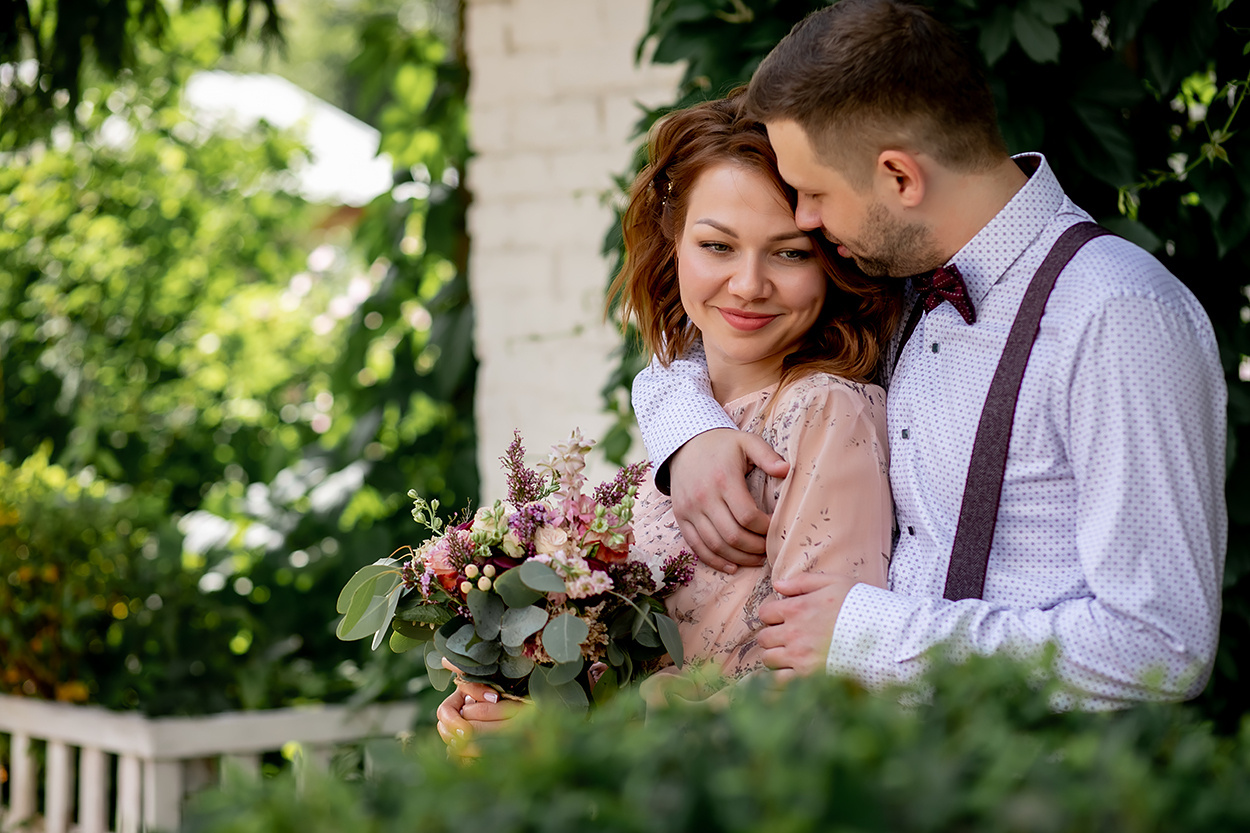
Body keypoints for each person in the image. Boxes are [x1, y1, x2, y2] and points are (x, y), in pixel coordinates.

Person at [632, 0, 1227, 709]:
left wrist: (871, 636)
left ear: (900, 178)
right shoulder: (899, 287)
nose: (809, 221)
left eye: (816, 193)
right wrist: (690, 431)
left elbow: (1162, 644)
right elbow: (719, 341)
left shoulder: (1117, 316)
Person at [437, 90, 904, 746]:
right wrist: (520, 696)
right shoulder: (681, 423)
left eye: (790, 252)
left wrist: (582, 736)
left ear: (832, 264)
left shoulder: (825, 411)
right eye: (718, 245)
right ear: (673, 244)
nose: (748, 283)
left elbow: (820, 686)